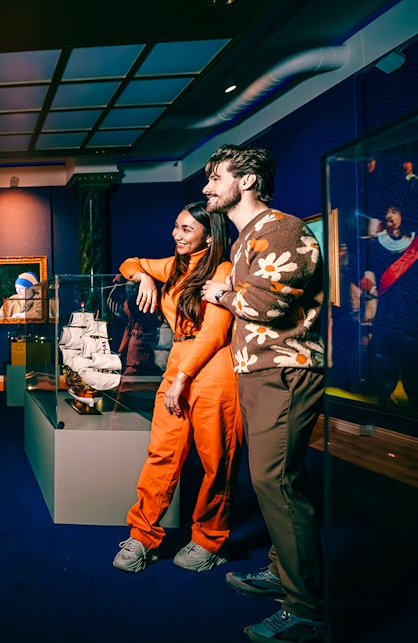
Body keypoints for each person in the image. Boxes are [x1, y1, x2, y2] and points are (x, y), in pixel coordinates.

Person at [200, 144, 326, 643]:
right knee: (273, 479)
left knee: (276, 481)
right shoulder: (248, 235)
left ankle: (304, 608)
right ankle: (281, 571)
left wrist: (221, 293)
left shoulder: (282, 228)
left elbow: (267, 303)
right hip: (260, 371)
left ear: (247, 181)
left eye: (216, 177)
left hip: (286, 369)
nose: (207, 187)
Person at [112, 202, 242, 575]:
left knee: (217, 461)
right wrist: (145, 278)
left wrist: (183, 378)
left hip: (214, 367)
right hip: (180, 360)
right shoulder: (174, 265)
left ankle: (209, 539)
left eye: (187, 229)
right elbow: (129, 262)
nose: (177, 234)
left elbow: (216, 332)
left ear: (209, 234)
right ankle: (143, 534)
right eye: (176, 226)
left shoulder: (223, 269)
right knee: (162, 453)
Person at [359, 201, 416, 409]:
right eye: (387, 211)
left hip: (413, 315)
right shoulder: (376, 245)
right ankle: (385, 400)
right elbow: (367, 271)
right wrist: (367, 280)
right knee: (385, 362)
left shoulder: (415, 244)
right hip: (386, 314)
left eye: (394, 211)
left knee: (413, 364)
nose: (389, 215)